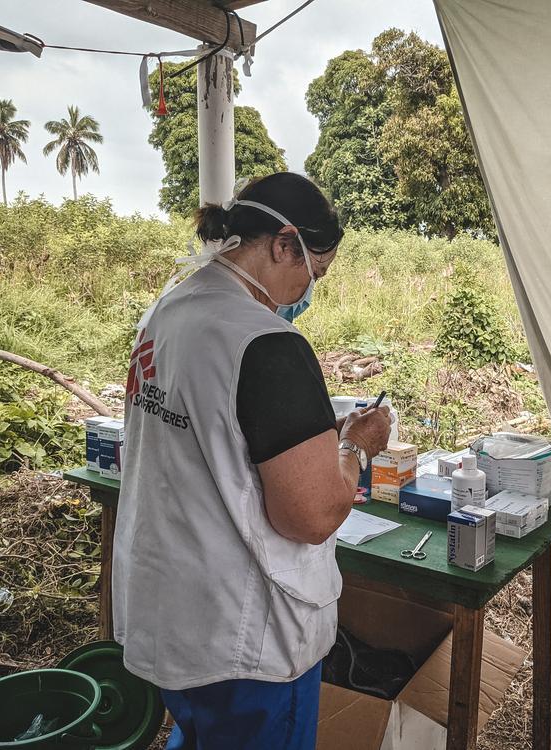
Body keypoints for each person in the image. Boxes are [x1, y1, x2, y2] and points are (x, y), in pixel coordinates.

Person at [112, 173, 392, 749]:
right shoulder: (266, 343)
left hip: (168, 613)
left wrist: (309, 436)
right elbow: (310, 515)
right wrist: (354, 447)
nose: (309, 290)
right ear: (284, 244)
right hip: (247, 642)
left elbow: (214, 440)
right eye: (316, 272)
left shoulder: (168, 312)